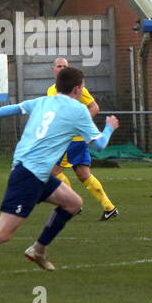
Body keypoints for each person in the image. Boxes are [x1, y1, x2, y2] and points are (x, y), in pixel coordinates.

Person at [0, 67, 118, 293]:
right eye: (82, 87)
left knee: (73, 203)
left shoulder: (42, 101)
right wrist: (109, 127)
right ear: (78, 88)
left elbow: (16, 108)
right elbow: (99, 144)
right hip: (30, 175)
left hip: (33, 172)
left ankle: (38, 250)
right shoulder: (78, 110)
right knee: (2, 233)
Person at [46, 57, 117, 221]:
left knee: (53, 172)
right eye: (59, 66)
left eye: (65, 66)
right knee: (84, 174)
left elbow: (94, 107)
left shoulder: (77, 88)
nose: (62, 68)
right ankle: (109, 207)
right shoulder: (51, 90)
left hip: (72, 140)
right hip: (67, 138)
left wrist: (79, 124)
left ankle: (70, 204)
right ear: (53, 69)